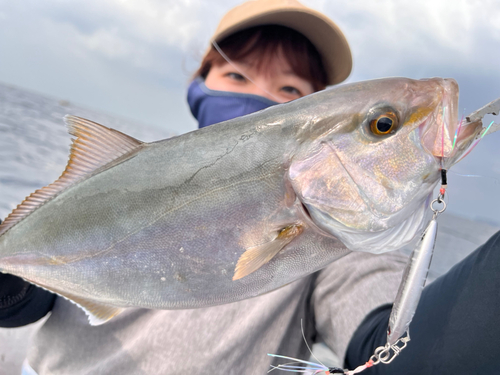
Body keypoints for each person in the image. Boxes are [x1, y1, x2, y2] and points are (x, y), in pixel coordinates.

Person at [1, 1, 499, 374]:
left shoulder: (341, 246)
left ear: (308, 115)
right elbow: (24, 301)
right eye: (237, 74)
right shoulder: (112, 185)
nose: (261, 97)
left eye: (288, 91)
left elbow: (388, 338)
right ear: (202, 83)